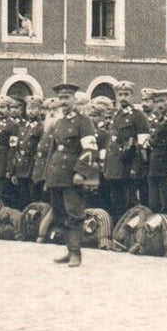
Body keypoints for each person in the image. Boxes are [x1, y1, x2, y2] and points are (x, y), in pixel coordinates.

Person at [42, 83, 101, 267]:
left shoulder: (83, 121)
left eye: (66, 98)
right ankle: (69, 250)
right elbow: (52, 151)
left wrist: (80, 172)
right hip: (56, 176)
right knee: (60, 214)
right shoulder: (59, 123)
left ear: (74, 99)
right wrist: (47, 176)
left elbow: (90, 149)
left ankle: (76, 253)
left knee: (74, 214)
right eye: (60, 98)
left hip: (72, 177)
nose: (63, 101)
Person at [106, 81, 150, 217]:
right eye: (120, 94)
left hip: (129, 167)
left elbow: (142, 146)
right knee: (116, 203)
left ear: (132, 95)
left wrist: (136, 168)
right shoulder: (117, 115)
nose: (123, 97)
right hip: (115, 168)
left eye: (126, 94)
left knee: (130, 203)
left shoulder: (138, 116)